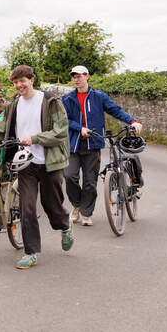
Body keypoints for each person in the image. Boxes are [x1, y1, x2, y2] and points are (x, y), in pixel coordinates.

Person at [0, 65, 72, 269]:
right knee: (27, 207)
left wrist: (35, 138)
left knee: (52, 206)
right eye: (15, 82)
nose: (19, 85)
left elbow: (61, 132)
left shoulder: (50, 101)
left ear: (32, 79)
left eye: (22, 81)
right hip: (25, 163)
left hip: (49, 162)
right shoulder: (13, 105)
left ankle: (65, 226)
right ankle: (31, 252)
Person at [61, 65, 143, 226]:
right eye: (74, 76)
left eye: (80, 76)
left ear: (87, 76)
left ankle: (86, 213)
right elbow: (64, 119)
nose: (77, 79)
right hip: (73, 144)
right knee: (70, 176)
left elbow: (115, 110)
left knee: (90, 182)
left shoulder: (99, 96)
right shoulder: (67, 98)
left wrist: (133, 121)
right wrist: (80, 128)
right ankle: (76, 205)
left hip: (93, 144)